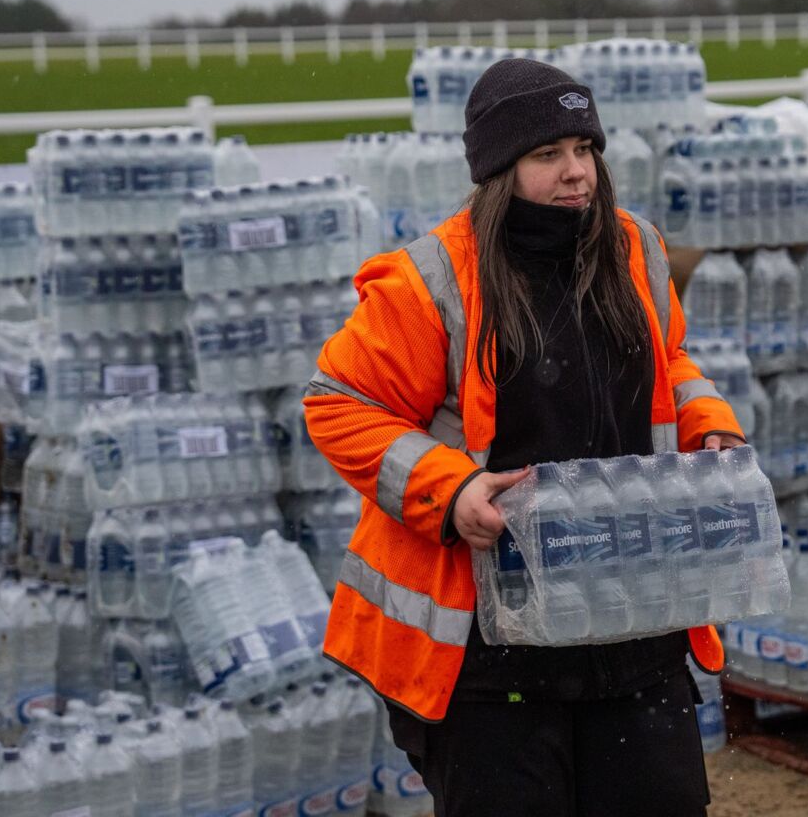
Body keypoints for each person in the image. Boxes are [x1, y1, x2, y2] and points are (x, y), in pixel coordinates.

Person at [304, 58, 746, 817]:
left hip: (632, 619)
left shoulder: (634, 248)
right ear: (498, 170)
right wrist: (451, 490)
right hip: (490, 652)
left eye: (585, 148)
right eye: (548, 154)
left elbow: (669, 360)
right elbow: (340, 403)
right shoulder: (432, 279)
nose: (576, 172)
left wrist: (710, 430)